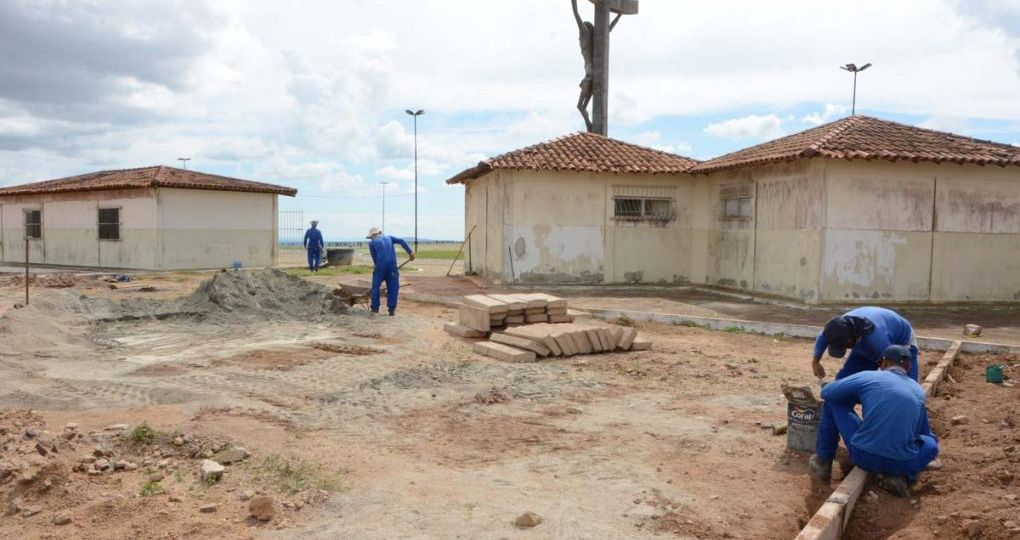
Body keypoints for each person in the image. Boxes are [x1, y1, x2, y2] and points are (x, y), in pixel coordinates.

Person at [808, 345, 939, 497]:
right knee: (930, 443)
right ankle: (901, 477)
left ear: (883, 362)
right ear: (909, 367)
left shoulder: (869, 377)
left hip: (864, 456)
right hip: (900, 463)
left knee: (832, 402)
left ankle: (823, 461)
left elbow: (827, 392)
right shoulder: (918, 391)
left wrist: (844, 391)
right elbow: (922, 431)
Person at [366, 227, 414, 316]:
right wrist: (410, 253)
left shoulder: (372, 243)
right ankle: (391, 310)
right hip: (392, 266)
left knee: (375, 287)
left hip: (380, 265)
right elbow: (402, 241)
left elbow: (375, 258)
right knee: (393, 287)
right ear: (380, 233)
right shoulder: (389, 238)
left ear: (373, 235)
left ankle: (375, 308)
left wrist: (379, 268)